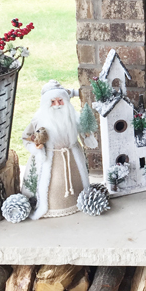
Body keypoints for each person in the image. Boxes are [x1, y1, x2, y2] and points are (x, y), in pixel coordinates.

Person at [21, 80, 97, 219]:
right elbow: (26, 137)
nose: (57, 105)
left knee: (76, 181)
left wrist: (87, 135)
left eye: (60, 101)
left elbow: (83, 133)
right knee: (52, 185)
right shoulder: (39, 119)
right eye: (53, 102)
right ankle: (49, 206)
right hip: (50, 157)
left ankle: (79, 202)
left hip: (72, 157)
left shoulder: (72, 117)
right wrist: (36, 148)